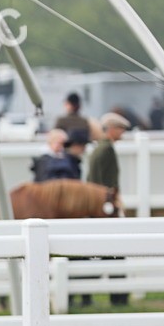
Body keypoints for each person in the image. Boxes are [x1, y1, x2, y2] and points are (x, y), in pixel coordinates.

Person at [87, 112, 131, 306]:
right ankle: (118, 296)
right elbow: (108, 182)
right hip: (105, 207)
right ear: (111, 129)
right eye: (120, 129)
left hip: (98, 205)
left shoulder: (99, 148)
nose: (122, 133)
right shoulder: (107, 150)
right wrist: (115, 203)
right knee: (114, 250)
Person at [54, 92, 102, 162]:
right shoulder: (85, 121)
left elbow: (55, 137)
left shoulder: (61, 120)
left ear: (69, 105)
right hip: (83, 155)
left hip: (66, 156)